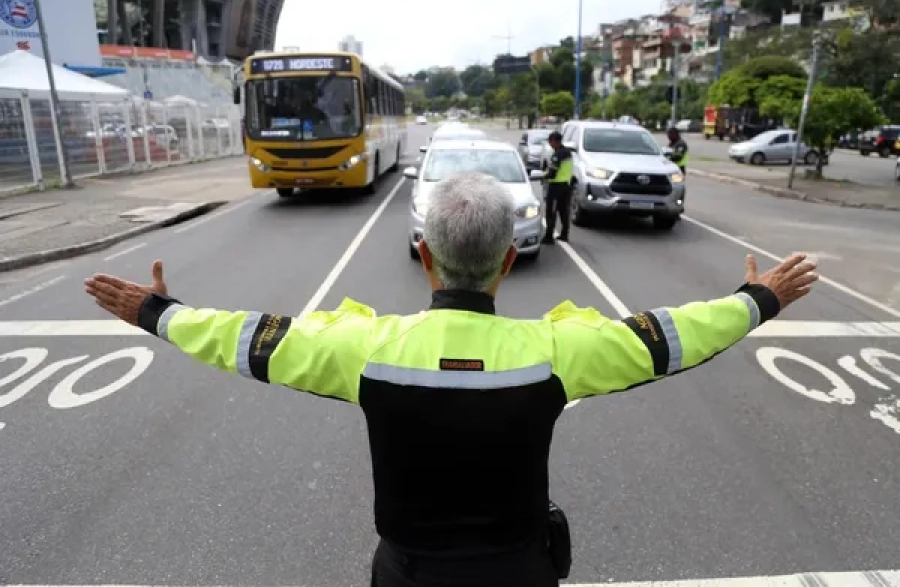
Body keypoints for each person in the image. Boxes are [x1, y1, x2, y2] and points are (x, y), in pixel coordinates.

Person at [84, 172, 818, 587]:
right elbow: (670, 338)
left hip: (408, 576)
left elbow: (247, 340)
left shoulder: (365, 350)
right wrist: (759, 298)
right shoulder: (557, 353)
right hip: (520, 573)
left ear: (426, 257)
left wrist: (157, 312)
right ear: (506, 263)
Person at [542, 131, 574, 245]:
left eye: (550, 142)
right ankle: (564, 234)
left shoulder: (557, 155)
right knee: (563, 211)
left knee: (551, 212)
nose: (550, 144)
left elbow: (552, 173)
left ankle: (549, 237)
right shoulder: (568, 153)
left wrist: (543, 175)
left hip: (556, 187)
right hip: (566, 186)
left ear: (555, 141)